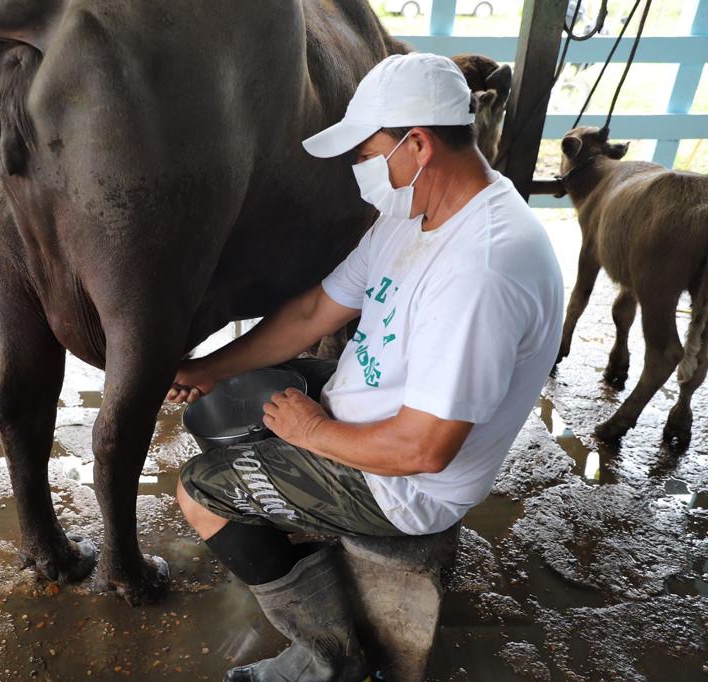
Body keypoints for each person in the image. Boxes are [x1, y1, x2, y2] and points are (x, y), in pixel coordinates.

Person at [168, 53, 564, 681]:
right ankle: (305, 543)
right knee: (222, 406)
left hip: (406, 486)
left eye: (364, 153)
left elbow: (425, 447)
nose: (358, 169)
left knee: (199, 492)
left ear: (419, 145)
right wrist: (211, 367)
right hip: (372, 404)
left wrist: (312, 433)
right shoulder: (417, 214)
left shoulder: (481, 270)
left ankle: (330, 660)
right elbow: (313, 312)